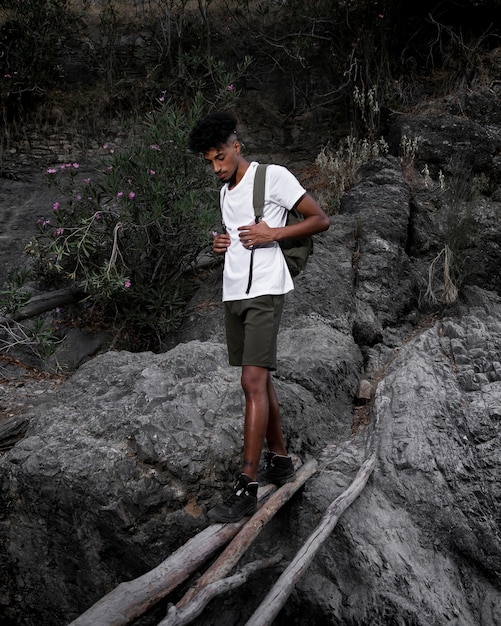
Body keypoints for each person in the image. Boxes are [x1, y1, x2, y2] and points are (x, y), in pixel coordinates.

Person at [188, 111, 330, 523]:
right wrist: (222, 243)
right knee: (259, 380)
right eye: (209, 162)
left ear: (236, 146)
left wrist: (273, 234)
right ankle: (281, 461)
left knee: (251, 380)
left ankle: (246, 485)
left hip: (266, 289)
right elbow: (235, 236)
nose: (216, 168)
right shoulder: (225, 191)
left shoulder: (274, 177)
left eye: (220, 158)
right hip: (234, 290)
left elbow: (320, 220)